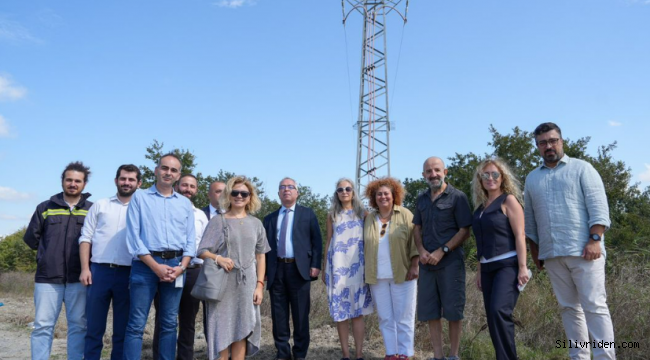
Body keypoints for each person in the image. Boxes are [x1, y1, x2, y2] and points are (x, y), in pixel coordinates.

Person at [525, 122, 615, 360]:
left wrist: (595, 239)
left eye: (553, 140)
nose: (548, 146)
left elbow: (598, 206)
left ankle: (606, 357)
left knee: (595, 307)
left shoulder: (582, 169)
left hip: (585, 251)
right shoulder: (532, 179)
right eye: (543, 143)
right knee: (568, 309)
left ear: (561, 141)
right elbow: (530, 220)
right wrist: (536, 251)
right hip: (552, 254)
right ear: (537, 147)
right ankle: (579, 357)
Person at [123, 153, 196, 360]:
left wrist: (181, 267)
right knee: (137, 324)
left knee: (169, 323)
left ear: (178, 175)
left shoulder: (184, 203)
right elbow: (133, 237)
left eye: (173, 170)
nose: (168, 173)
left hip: (175, 266)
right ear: (156, 170)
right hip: (145, 266)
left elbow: (190, 241)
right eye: (165, 168)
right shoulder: (140, 197)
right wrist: (155, 266)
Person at [24, 161, 93, 360]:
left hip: (78, 279)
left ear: (84, 184)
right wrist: (47, 255)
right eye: (69, 180)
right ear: (62, 181)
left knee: (79, 326)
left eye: (77, 181)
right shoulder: (45, 207)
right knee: (42, 326)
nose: (73, 184)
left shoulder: (92, 209)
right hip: (47, 278)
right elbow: (31, 238)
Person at [197, 176, 271, 360]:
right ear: (228, 195)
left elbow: (261, 256)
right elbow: (202, 251)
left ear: (250, 196)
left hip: (248, 285)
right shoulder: (218, 221)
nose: (239, 196)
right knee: (221, 329)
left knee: (243, 328)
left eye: (244, 193)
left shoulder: (256, 224)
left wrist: (260, 286)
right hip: (222, 284)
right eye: (235, 192)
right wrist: (218, 258)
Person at [79, 164, 142, 360]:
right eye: (123, 178)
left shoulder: (143, 209)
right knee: (94, 328)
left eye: (131, 179)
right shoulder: (101, 205)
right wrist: (85, 268)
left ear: (138, 184)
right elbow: (85, 238)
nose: (126, 183)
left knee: (122, 331)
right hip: (99, 272)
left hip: (129, 273)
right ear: (116, 180)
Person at [413, 156, 472, 360]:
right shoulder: (421, 199)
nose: (433, 174)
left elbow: (465, 230)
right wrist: (421, 251)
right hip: (427, 265)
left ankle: (453, 356)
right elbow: (417, 228)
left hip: (451, 263)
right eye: (429, 171)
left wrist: (442, 251)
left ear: (445, 172)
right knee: (431, 312)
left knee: (454, 311)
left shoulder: (457, 197)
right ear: (424, 175)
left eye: (437, 170)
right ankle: (438, 356)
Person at [470, 158, 529, 360]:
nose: (490, 178)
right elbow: (480, 243)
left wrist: (523, 267)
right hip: (486, 269)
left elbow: (520, 235)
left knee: (499, 312)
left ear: (502, 177)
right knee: (492, 318)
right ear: (480, 179)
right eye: (485, 175)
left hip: (508, 266)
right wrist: (479, 271)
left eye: (495, 174)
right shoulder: (479, 209)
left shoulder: (508, 200)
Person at [263, 177, 323, 360]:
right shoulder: (270, 218)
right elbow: (264, 248)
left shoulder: (308, 214)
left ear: (297, 192)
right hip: (276, 270)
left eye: (290, 187)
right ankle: (282, 353)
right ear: (278, 193)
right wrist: (264, 271)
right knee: (279, 315)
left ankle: (299, 354)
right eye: (282, 187)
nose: (286, 190)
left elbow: (317, 241)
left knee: (300, 315)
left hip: (300, 270)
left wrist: (315, 265)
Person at [153, 174, 209, 360]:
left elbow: (206, 245)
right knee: (164, 319)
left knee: (188, 321)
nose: (188, 189)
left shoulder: (200, 215)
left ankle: (185, 357)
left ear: (196, 190)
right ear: (177, 186)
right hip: (168, 269)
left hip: (193, 272)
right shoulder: (164, 209)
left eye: (192, 187)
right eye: (184, 185)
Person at [363, 177, 419, 360]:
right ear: (374, 198)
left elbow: (415, 243)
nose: (383, 197)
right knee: (385, 318)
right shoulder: (369, 219)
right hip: (377, 276)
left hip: (403, 274)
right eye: (378, 194)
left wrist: (415, 265)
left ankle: (405, 353)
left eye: (386, 193)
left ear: (394, 195)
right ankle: (390, 353)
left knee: (404, 317)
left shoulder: (405, 214)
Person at [323, 178, 373, 360]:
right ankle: (345, 354)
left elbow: (370, 240)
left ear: (353, 191)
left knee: (357, 314)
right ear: (336, 193)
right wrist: (324, 268)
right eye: (340, 189)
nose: (344, 192)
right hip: (336, 268)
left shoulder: (363, 214)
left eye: (348, 188)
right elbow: (328, 241)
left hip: (358, 269)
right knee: (341, 314)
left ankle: (359, 354)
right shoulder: (332, 215)